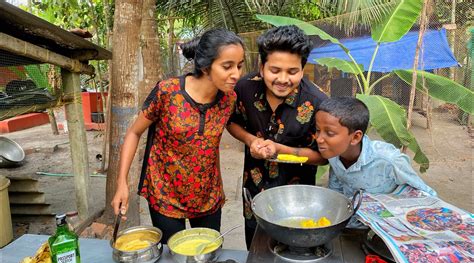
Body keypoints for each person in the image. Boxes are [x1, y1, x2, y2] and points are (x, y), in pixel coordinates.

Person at [111, 28, 245, 244]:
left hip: (208, 197)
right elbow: (134, 132)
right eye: (227, 66)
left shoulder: (229, 100)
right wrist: (122, 183)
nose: (236, 74)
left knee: (206, 253)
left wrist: (253, 141)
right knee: (172, 256)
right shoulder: (168, 92)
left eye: (239, 66)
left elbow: (232, 126)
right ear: (205, 65)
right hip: (165, 194)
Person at [226, 25, 328, 249]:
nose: (283, 79)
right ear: (262, 68)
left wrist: (281, 149)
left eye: (292, 72)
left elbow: (323, 157)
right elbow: (231, 122)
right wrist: (251, 140)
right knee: (256, 251)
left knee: (294, 255)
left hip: (298, 203)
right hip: (253, 194)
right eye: (275, 70)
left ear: (303, 69)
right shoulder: (244, 88)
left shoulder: (318, 103)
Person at [315, 96, 437, 198]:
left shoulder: (389, 160)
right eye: (317, 130)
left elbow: (428, 196)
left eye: (329, 133)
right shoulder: (334, 154)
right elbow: (336, 191)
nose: (319, 139)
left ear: (355, 137)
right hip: (352, 219)